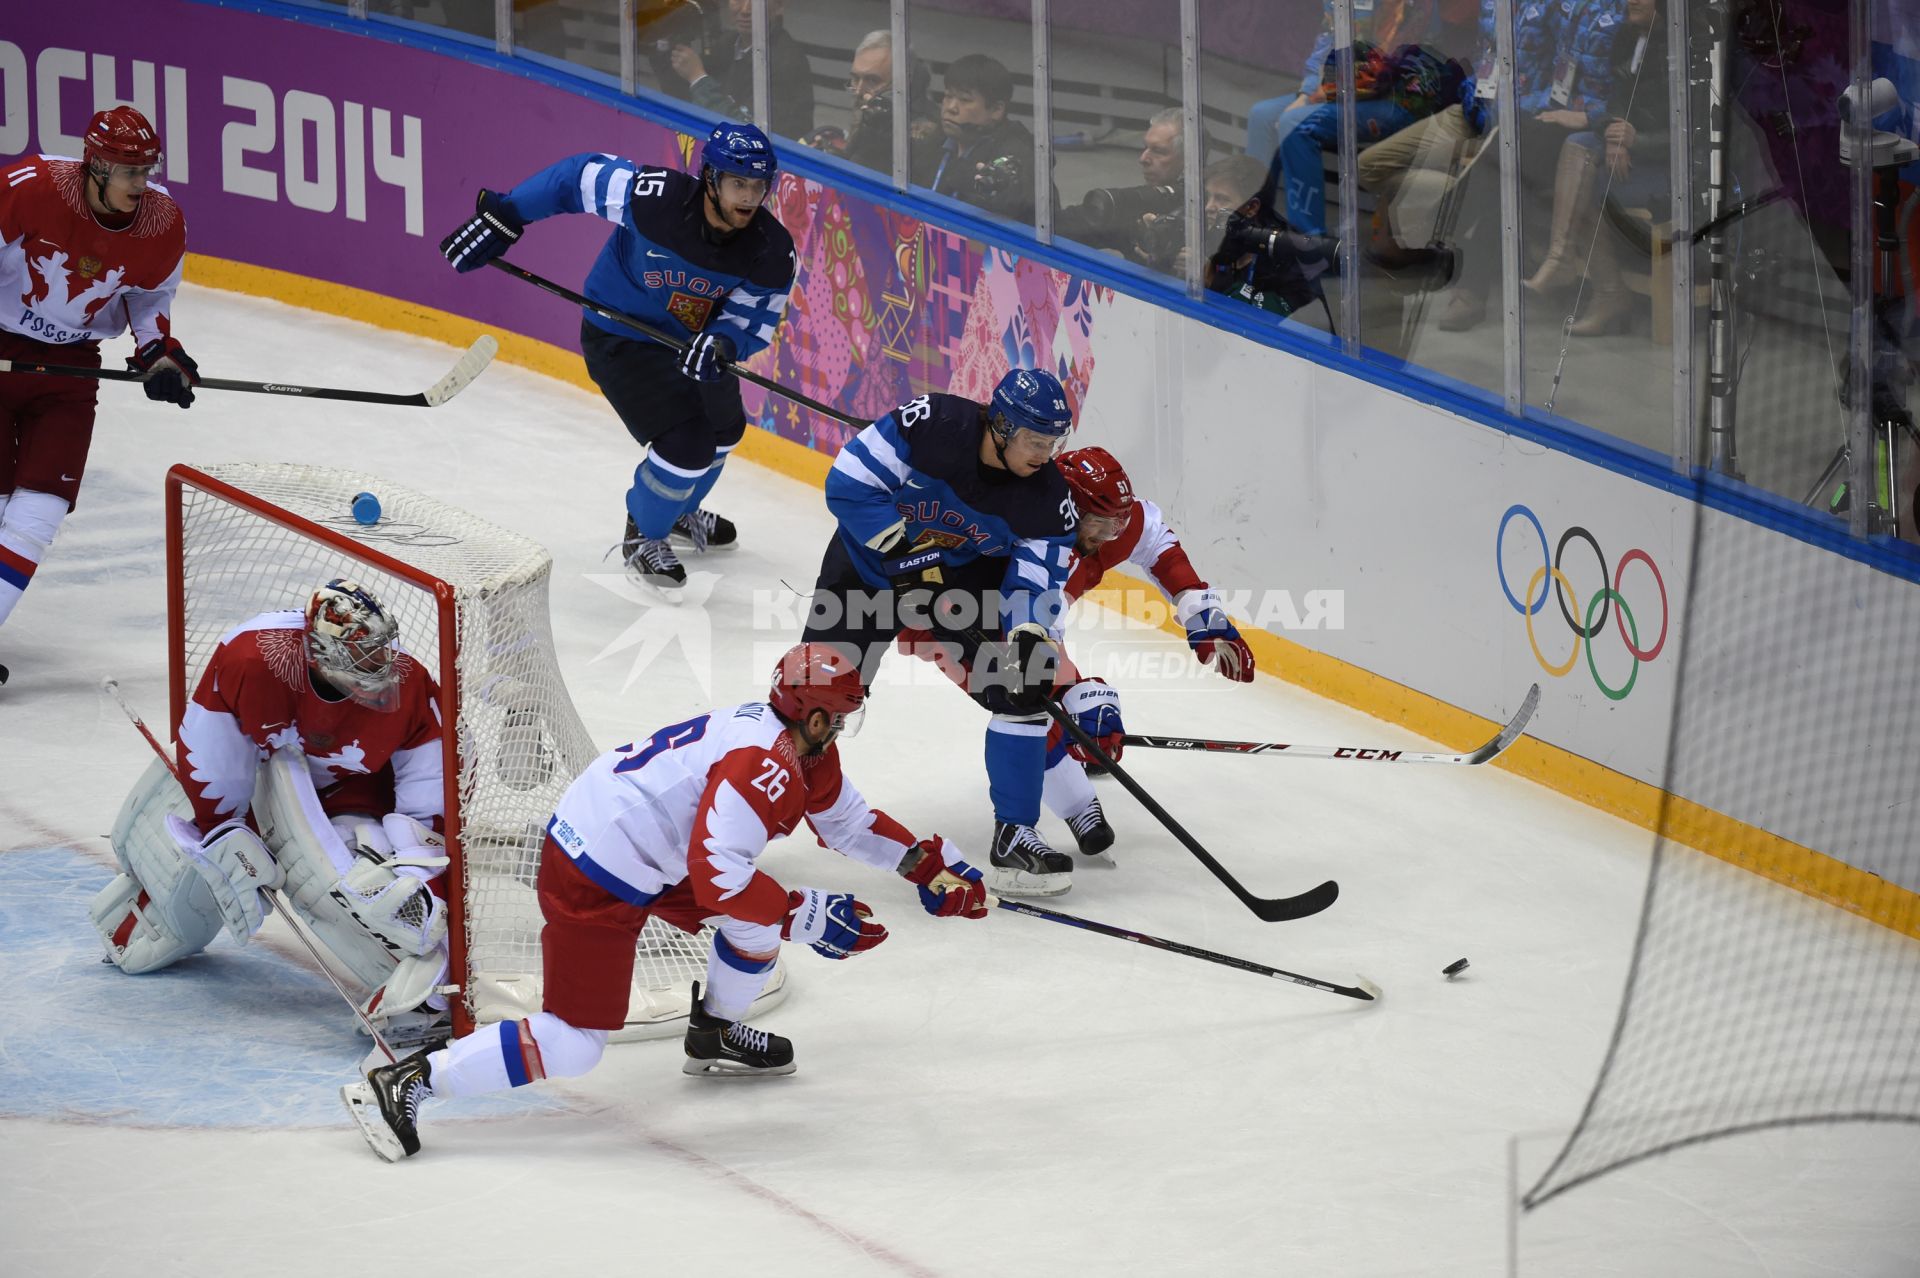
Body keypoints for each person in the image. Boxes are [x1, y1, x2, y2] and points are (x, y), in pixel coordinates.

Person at [340, 642, 989, 1162]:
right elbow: (720, 881)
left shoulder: (798, 746)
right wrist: (806, 915)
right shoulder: (757, 766)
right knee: (576, 1042)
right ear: (817, 717)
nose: (844, 725)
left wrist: (925, 867)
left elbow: (845, 824)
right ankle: (409, 1082)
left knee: (754, 928)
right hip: (594, 864)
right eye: (841, 715)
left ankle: (712, 1033)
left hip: (650, 845)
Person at [90, 580, 455, 1049]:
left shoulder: (408, 681)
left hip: (354, 790)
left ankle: (422, 992)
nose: (378, 670)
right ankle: (138, 920)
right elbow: (211, 748)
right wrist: (221, 829)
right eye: (360, 662)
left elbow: (432, 784)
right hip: (261, 769)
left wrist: (418, 864)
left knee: (363, 877)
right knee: (210, 869)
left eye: (380, 654)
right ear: (317, 652)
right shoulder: (253, 658)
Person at [439, 121, 795, 599]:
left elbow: (749, 321)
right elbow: (576, 177)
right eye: (738, 184)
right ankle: (642, 534)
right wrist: (506, 215)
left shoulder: (772, 250)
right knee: (684, 449)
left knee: (725, 431)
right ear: (709, 178)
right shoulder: (658, 199)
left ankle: (675, 514)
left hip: (692, 348)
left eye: (758, 186)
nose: (750, 198)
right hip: (621, 339)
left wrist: (722, 344)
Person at [803, 369, 1081, 897]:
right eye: (1034, 440)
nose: (1045, 453)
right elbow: (849, 482)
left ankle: (1015, 836)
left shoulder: (1048, 499)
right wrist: (903, 556)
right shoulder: (934, 423)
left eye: (1053, 442)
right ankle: (765, 802)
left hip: (957, 589)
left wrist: (1026, 632)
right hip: (865, 573)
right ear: (1000, 425)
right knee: (811, 697)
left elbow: (1037, 578)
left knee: (1024, 684)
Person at [0, 105, 195, 688]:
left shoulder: (164, 222)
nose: (143, 183)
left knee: (41, 509)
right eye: (131, 172)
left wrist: (159, 354)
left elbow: (150, 297)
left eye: (147, 170)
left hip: (70, 369)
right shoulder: (31, 187)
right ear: (97, 165)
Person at [1035, 446, 1257, 856]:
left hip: (1033, 623)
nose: (1108, 538)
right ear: (1069, 510)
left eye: (1116, 525)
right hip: (961, 621)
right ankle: (1061, 813)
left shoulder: (1108, 527)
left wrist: (1200, 610)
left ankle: (1079, 744)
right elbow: (1032, 637)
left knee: (1068, 711)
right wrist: (1069, 698)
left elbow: (1154, 540)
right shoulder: (1037, 545)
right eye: (1100, 524)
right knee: (1025, 708)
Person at [1523, 0, 1667, 336]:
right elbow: (1615, 105)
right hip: (1625, 155)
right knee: (1577, 150)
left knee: (1579, 186)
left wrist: (1635, 141)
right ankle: (1565, 262)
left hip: (1665, 167)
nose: (1632, 1)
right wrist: (1613, 135)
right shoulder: (1628, 38)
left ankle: (1604, 290)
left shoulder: (1684, 55)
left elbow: (1693, 135)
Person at [1193, 155, 1339, 322]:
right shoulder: (1210, 233)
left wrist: (1211, 282)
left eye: (1221, 199)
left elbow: (1268, 326)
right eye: (1208, 197)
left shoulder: (1285, 252)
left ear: (1252, 207)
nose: (1208, 207)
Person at [1056, 108, 1197, 269]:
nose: (1143, 159)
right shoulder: (1139, 205)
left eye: (1158, 151)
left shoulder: (1213, 215)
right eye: (1145, 148)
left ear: (1189, 161)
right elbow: (1066, 226)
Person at [658, 0, 815, 140]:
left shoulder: (787, 64)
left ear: (779, 6)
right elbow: (682, 98)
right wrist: (666, 46)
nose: (746, 9)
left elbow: (747, 135)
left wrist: (698, 78)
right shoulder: (730, 42)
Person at [917, 54, 1039, 222]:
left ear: (996, 110)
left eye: (965, 100)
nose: (951, 107)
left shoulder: (1017, 157)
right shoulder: (934, 138)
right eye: (948, 96)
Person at [803, 30, 939, 174]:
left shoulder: (925, 131)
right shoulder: (872, 111)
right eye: (855, 79)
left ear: (904, 83)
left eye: (873, 80)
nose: (859, 91)